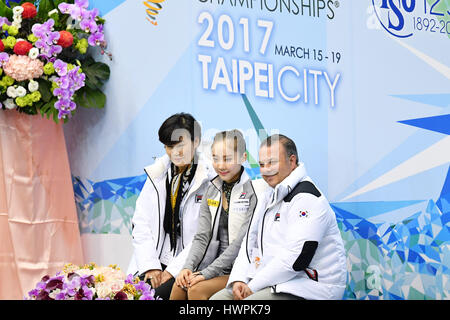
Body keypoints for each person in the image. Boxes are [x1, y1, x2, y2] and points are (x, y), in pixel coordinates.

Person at [210, 134, 347, 300]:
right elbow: (248, 243)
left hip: (311, 287)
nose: (266, 169)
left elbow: (296, 259)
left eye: (272, 162)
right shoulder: (268, 195)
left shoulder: (307, 199)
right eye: (262, 164)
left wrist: (252, 286)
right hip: (272, 281)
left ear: (292, 161)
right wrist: (239, 279)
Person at [127, 113, 215, 300]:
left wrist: (173, 271)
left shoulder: (212, 178)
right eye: (169, 146)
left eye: (181, 145)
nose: (175, 152)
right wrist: (150, 266)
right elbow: (140, 223)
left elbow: (205, 235)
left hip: (190, 266)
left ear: (196, 141)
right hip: (155, 262)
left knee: (157, 296)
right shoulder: (157, 174)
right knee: (127, 294)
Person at [169, 130, 258, 300]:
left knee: (196, 289)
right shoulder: (211, 190)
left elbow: (241, 243)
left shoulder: (253, 193)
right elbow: (201, 236)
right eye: (216, 158)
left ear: (243, 157)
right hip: (212, 267)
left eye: (227, 159)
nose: (221, 165)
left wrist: (206, 273)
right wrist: (187, 268)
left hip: (240, 271)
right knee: (179, 285)